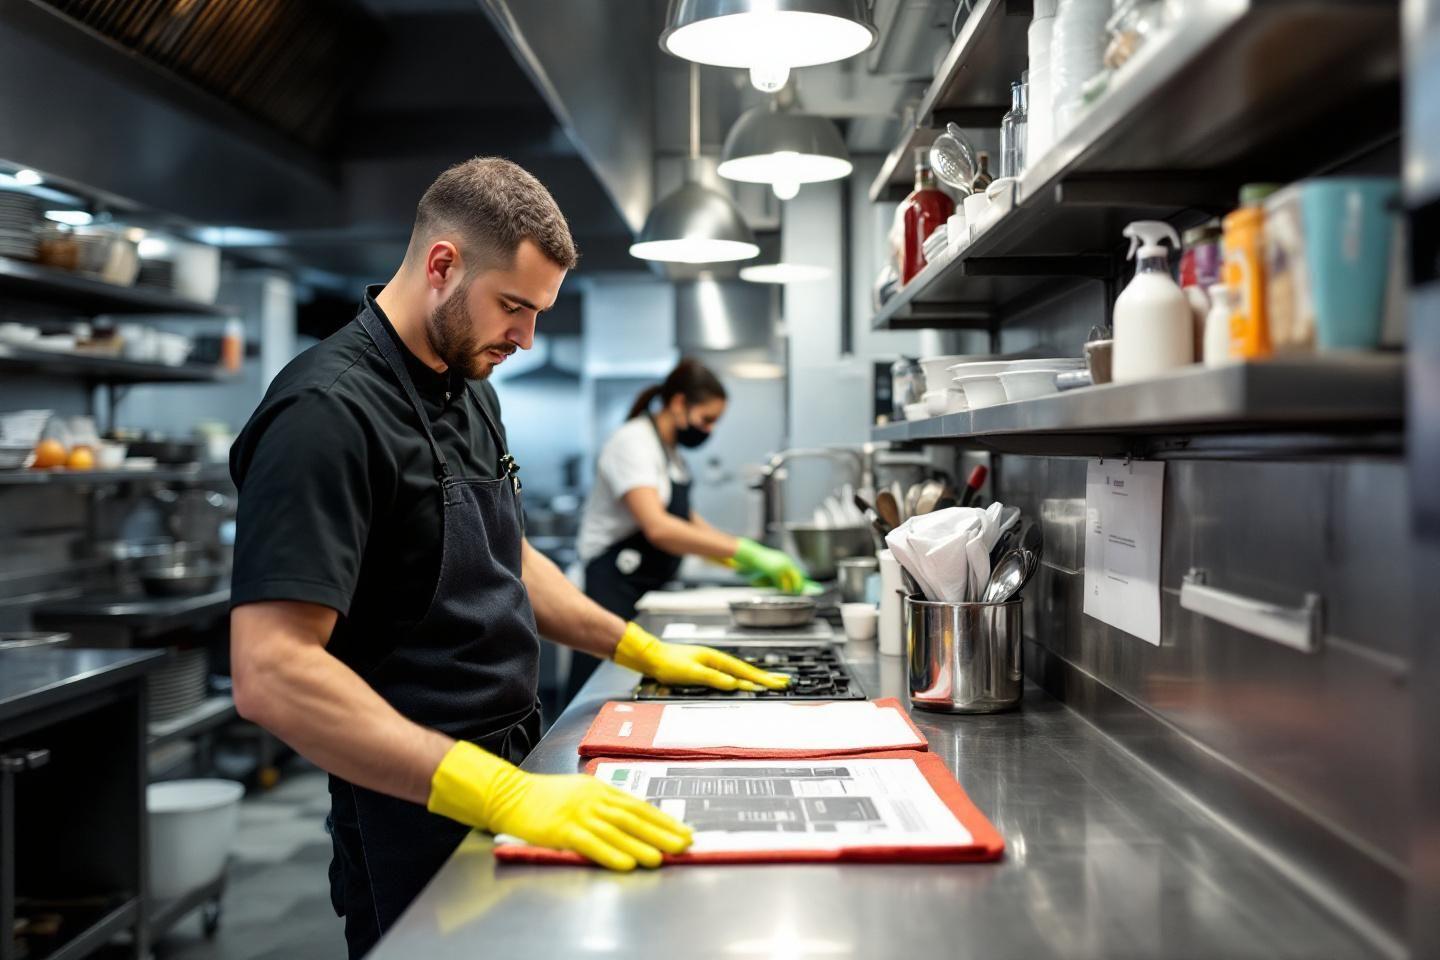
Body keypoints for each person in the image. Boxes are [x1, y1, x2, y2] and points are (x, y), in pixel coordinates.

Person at [227, 158, 788, 959]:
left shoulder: (470, 389)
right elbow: (272, 670)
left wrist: (637, 648)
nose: (526, 338)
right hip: (413, 798)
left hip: (518, 761)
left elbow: (507, 556)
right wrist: (489, 790)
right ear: (443, 264)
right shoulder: (325, 412)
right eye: (514, 307)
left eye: (538, 312)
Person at [566, 359, 809, 700]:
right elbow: (659, 528)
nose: (708, 430)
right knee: (599, 694)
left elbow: (686, 520)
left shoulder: (669, 452)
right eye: (706, 419)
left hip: (642, 591)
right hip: (610, 591)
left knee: (634, 693)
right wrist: (744, 551)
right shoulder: (633, 442)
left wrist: (739, 562)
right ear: (679, 404)